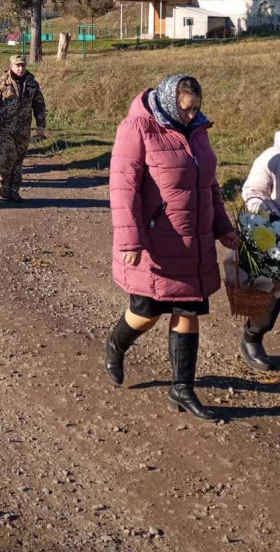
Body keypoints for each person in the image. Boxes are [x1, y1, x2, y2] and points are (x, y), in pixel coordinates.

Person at [105, 74, 239, 421]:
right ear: (168, 102)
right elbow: (123, 190)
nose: (192, 115)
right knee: (147, 311)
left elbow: (209, 185)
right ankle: (117, 344)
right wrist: (130, 240)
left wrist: (222, 227)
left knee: (189, 309)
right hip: (157, 241)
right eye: (186, 109)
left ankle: (182, 387)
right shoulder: (138, 127)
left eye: (196, 109)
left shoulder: (198, 130)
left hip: (194, 242)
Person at [239, 130, 280, 371]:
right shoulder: (270, 157)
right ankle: (252, 338)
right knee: (272, 294)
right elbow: (252, 192)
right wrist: (271, 215)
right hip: (276, 236)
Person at [0, 54, 46, 202]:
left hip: (23, 129)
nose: (20, 68)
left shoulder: (32, 84)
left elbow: (39, 105)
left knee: (18, 160)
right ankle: (4, 186)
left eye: (23, 65)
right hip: (5, 129)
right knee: (8, 157)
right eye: (17, 65)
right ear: (11, 66)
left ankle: (14, 190)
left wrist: (41, 125)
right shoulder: (0, 83)